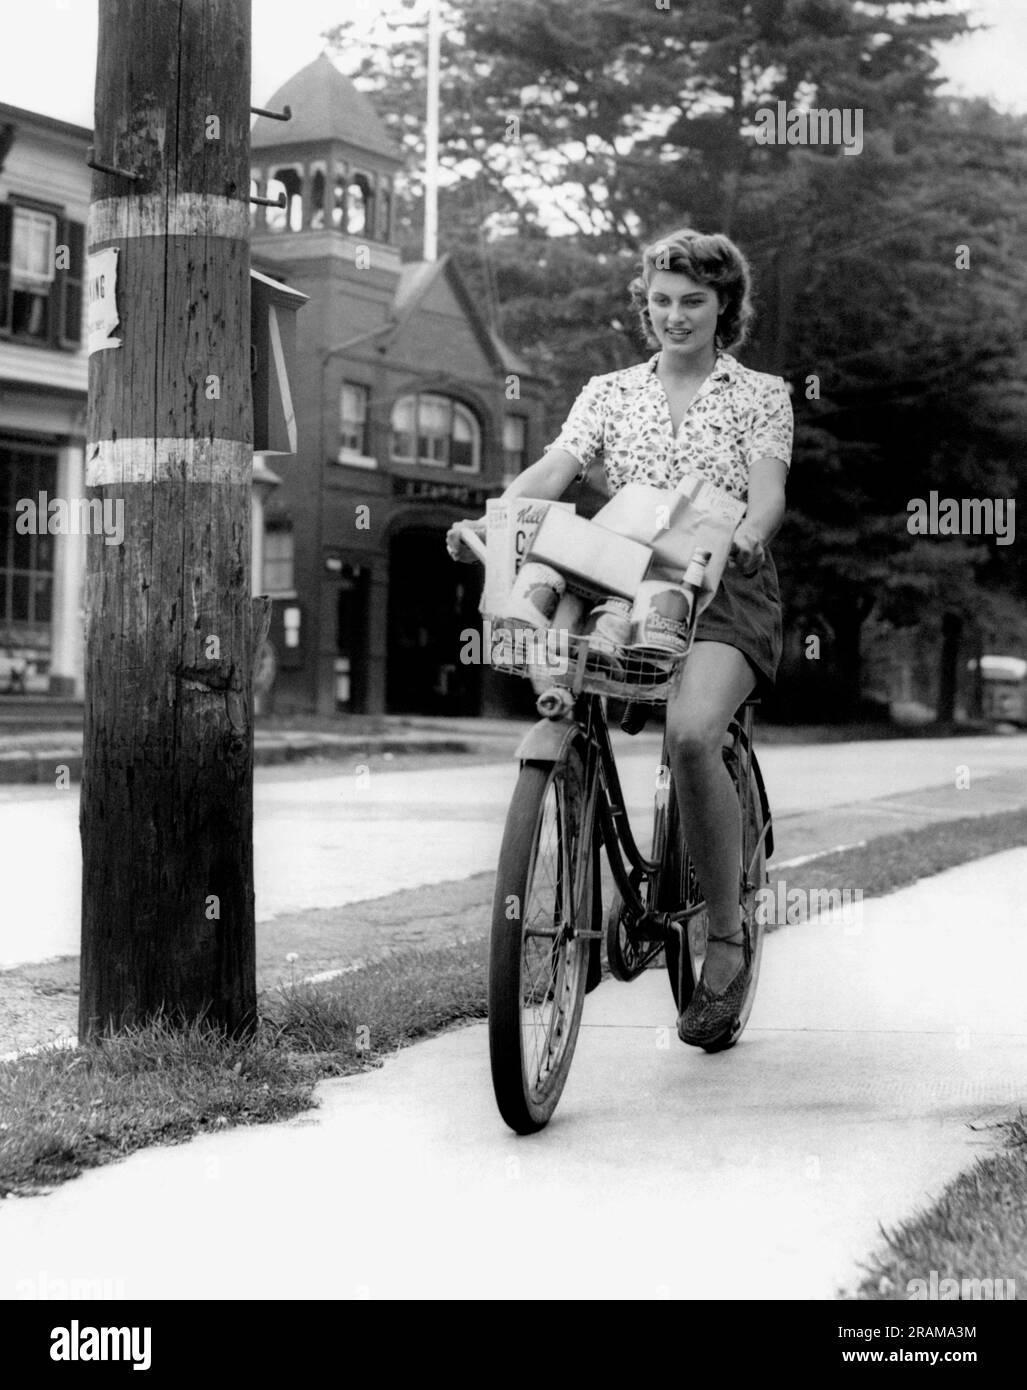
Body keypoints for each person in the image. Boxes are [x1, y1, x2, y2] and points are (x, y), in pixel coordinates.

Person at [446, 228, 792, 1047]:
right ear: (645, 305)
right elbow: (553, 472)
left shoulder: (759, 393)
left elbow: (770, 491)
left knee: (693, 734)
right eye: (660, 301)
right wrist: (494, 516)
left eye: (692, 302)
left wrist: (747, 532)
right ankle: (581, 820)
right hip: (621, 573)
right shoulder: (606, 392)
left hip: (722, 579)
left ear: (723, 308)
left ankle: (727, 941)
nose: (673, 317)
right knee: (560, 660)